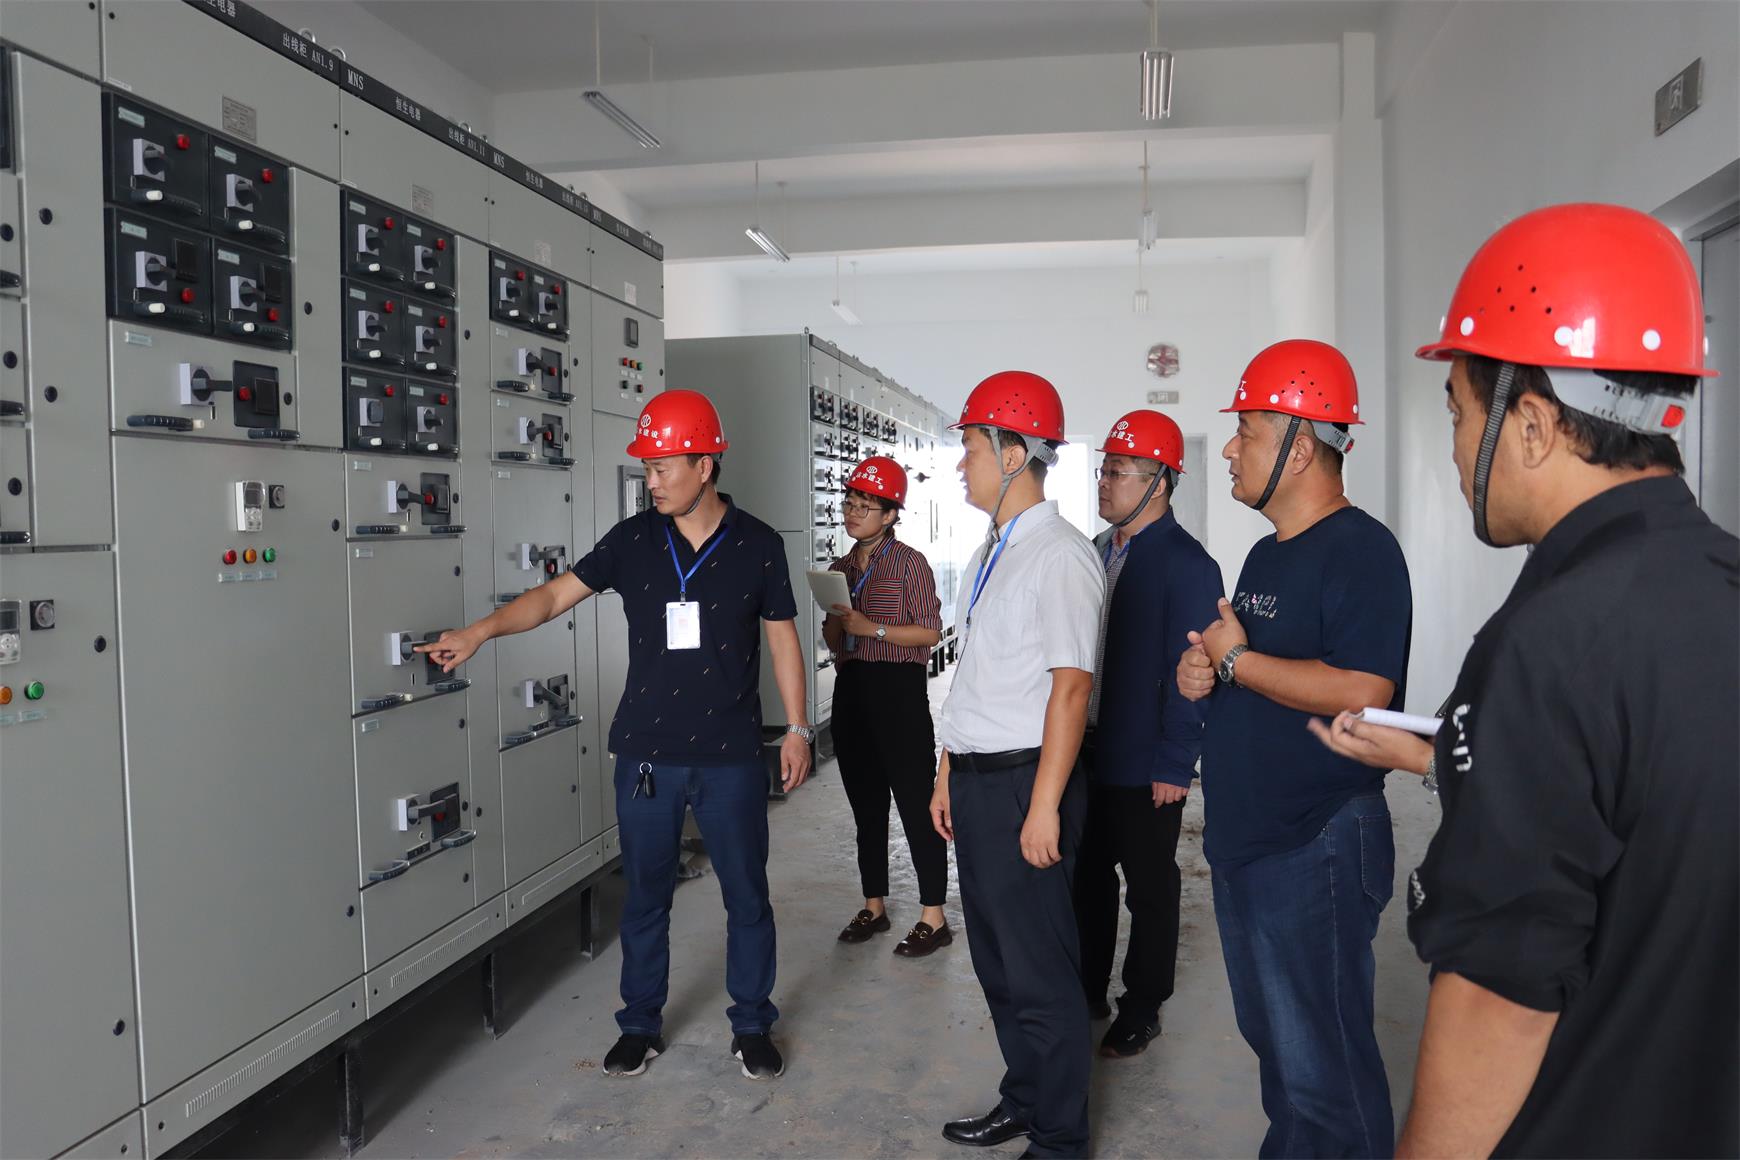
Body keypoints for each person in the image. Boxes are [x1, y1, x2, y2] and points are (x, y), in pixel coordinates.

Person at [1309, 202, 1738, 1158]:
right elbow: (1653, 805)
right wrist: (1448, 760)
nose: (1457, 449)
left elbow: (1499, 1000)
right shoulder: (1719, 583)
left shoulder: (1549, 642)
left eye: (1459, 415)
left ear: (1534, 425)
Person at [418, 389, 813, 1082]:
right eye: (647, 468)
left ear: (705, 465)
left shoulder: (758, 545)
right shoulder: (632, 542)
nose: (650, 481)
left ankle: (752, 1023)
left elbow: (783, 639)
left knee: (747, 897)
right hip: (647, 755)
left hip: (729, 757)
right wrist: (479, 632)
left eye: (662, 467)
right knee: (646, 897)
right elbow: (552, 597)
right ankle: (639, 1024)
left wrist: (799, 728)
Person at [1175, 339, 1413, 1159]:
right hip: (1251, 839)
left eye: (1246, 432)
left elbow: (1364, 690)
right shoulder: (1265, 553)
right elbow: (1254, 668)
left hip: (1316, 841)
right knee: (1281, 1057)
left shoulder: (1361, 550)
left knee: (1324, 1071)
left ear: (1301, 447)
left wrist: (1238, 661)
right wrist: (1210, 672)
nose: (1229, 450)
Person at [928, 370, 1104, 1159]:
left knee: (1039, 973)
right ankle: (1026, 1099)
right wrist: (945, 772)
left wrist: (1043, 806)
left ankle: (1061, 1138)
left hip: (1026, 783)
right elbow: (975, 675)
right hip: (977, 780)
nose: (961, 463)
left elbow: (1071, 689)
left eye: (971, 447)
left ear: (1012, 454)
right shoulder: (992, 552)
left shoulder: (1060, 556)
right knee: (998, 965)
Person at [1075, 409, 1222, 1058]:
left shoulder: (1187, 564)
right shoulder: (1098, 550)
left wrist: (1175, 762)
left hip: (1144, 758)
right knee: (1086, 875)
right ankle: (1087, 987)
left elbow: (1193, 672)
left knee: (1150, 886)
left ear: (1159, 483)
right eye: (1104, 470)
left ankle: (1143, 1004)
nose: (1104, 483)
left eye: (1119, 472)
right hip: (1088, 749)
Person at [821, 454, 950, 956]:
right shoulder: (839, 569)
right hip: (852, 691)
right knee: (866, 805)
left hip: (898, 692)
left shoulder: (909, 563)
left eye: (865, 506)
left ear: (891, 514)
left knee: (916, 803)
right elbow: (833, 640)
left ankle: (934, 915)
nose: (853, 514)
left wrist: (871, 627)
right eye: (849, 504)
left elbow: (930, 632)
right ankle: (873, 905)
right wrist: (838, 621)